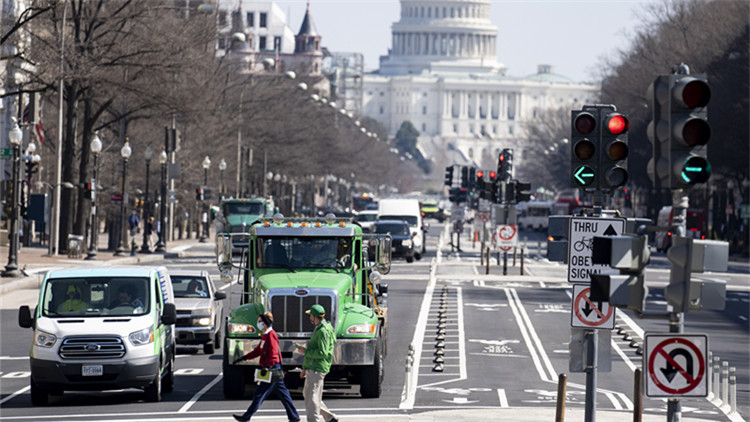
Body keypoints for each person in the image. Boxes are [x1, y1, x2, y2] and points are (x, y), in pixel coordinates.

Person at [233, 312, 300, 422]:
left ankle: (246, 417)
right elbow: (259, 350)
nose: (258, 324)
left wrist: (269, 366)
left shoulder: (270, 335)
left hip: (271, 368)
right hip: (272, 367)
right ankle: (294, 416)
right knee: (283, 393)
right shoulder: (265, 335)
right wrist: (245, 357)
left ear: (265, 323)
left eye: (260, 322)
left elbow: (273, 352)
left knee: (260, 394)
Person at [297, 304, 338, 422]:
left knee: (312, 398)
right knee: (310, 394)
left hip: (317, 367)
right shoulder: (323, 328)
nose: (309, 317)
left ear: (314, 317)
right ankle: (330, 418)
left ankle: (314, 420)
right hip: (314, 367)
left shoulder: (322, 331)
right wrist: (305, 368)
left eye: (310, 315)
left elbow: (322, 352)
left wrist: (305, 351)